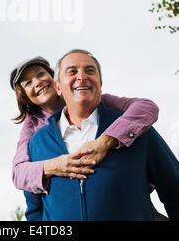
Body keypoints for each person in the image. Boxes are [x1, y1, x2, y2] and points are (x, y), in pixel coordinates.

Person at [23, 49, 179, 221]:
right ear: (58, 87)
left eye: (90, 71)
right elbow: (35, 210)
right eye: (72, 71)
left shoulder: (138, 131)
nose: (81, 77)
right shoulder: (37, 143)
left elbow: (174, 188)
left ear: (100, 83)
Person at [10, 55, 159, 195]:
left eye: (40, 74)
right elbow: (18, 173)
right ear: (24, 96)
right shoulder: (32, 129)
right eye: (28, 83)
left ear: (56, 80)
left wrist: (105, 141)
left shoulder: (99, 102)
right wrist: (55, 165)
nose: (37, 82)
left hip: (129, 199)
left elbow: (146, 107)